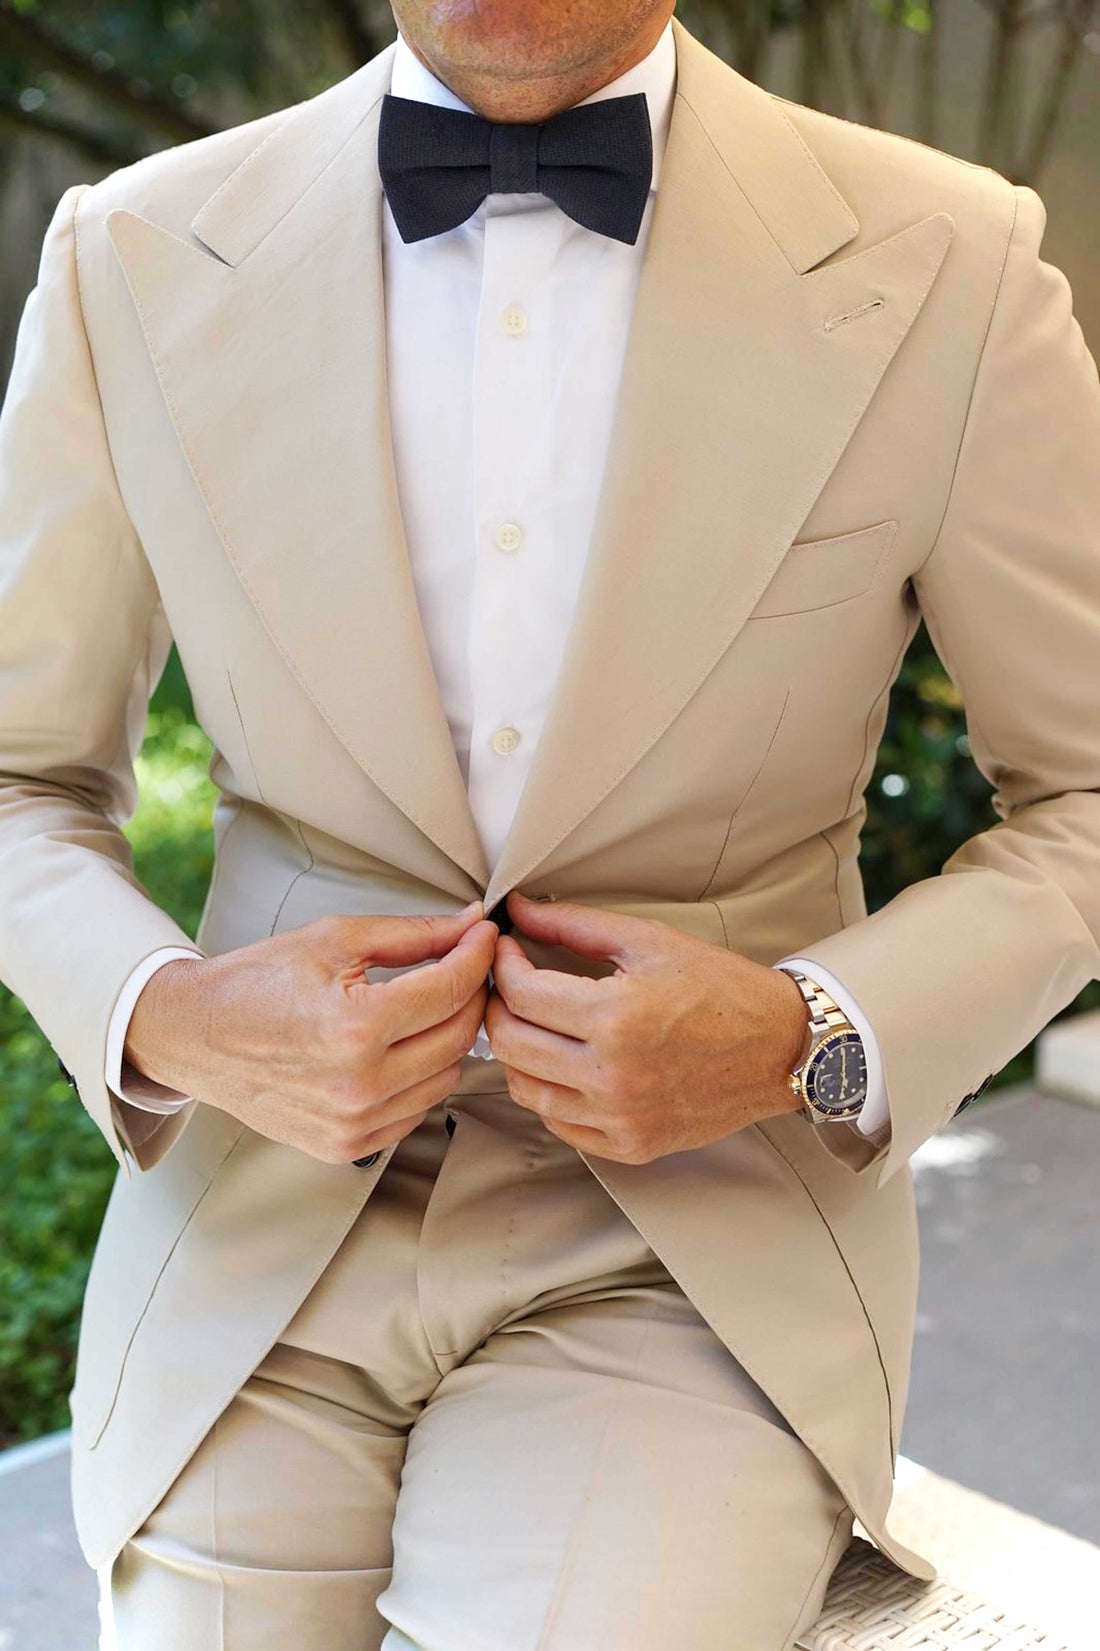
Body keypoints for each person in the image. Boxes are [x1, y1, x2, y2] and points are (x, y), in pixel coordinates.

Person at [1, 1, 1098, 1645]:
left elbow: (1083, 792)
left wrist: (810, 1034)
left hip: (696, 1236)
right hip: (261, 1214)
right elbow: (18, 773)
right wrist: (178, 1020)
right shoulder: (130, 253)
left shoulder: (954, 260)